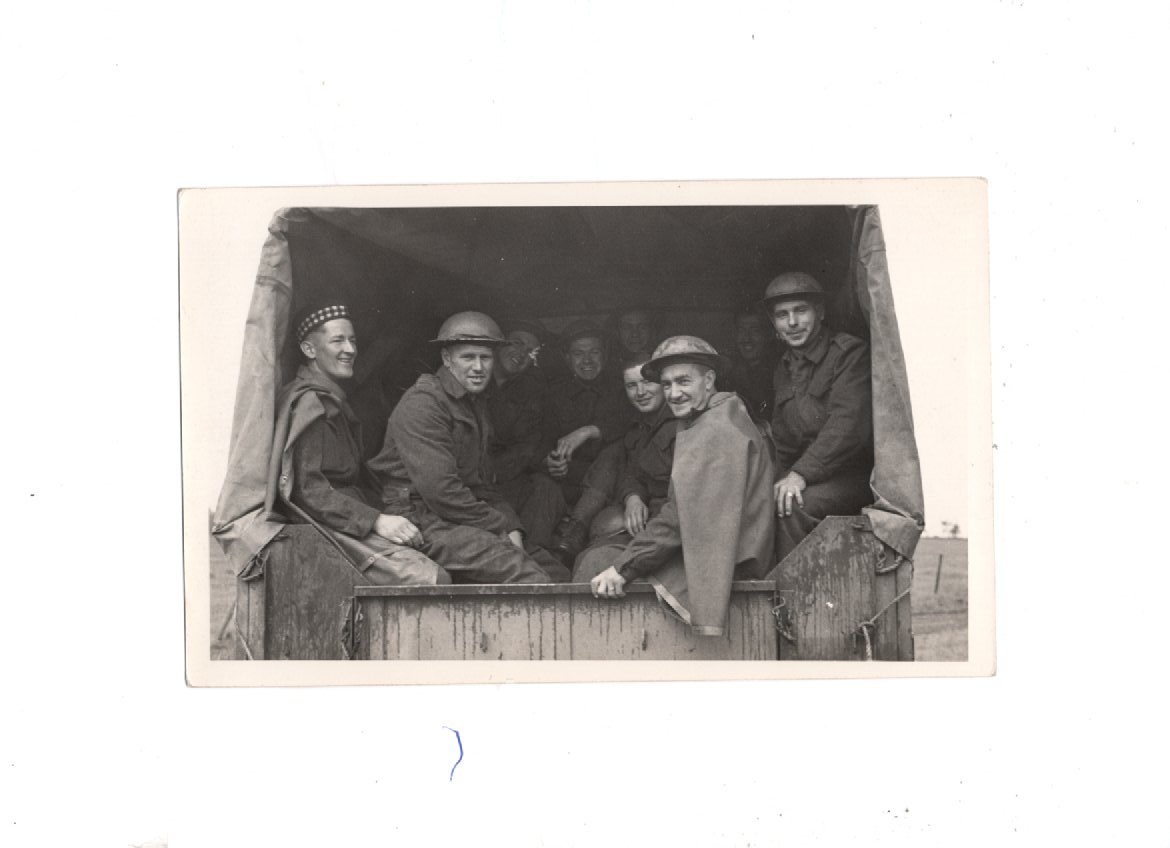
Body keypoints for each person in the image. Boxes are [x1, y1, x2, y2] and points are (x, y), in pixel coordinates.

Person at [586, 336, 775, 637]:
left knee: (596, 562)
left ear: (709, 380)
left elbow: (678, 519)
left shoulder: (713, 429)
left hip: (730, 561)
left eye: (683, 381)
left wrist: (623, 568)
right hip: (727, 548)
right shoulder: (725, 411)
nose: (674, 394)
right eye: (666, 384)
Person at [368, 311, 567, 583]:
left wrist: (512, 528)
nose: (478, 367)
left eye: (485, 358)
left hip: (456, 517)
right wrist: (500, 527)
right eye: (468, 357)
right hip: (419, 518)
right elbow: (442, 492)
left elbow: (482, 484)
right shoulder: (424, 403)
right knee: (523, 571)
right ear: (446, 359)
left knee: (557, 574)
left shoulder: (473, 403)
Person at [268, 303, 448, 586]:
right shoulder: (310, 404)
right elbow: (307, 491)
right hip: (324, 528)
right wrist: (377, 521)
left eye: (352, 340)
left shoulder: (330, 400)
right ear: (309, 349)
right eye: (338, 341)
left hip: (345, 519)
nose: (350, 349)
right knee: (433, 578)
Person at [761, 272, 874, 561]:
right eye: (782, 315)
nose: (792, 322)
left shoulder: (849, 354)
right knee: (757, 504)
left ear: (820, 312)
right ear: (774, 322)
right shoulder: (784, 368)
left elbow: (847, 428)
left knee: (793, 507)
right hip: (807, 476)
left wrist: (800, 475)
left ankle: (791, 589)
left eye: (801, 310)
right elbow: (782, 441)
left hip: (850, 476)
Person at [569, 352, 679, 577]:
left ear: (664, 384)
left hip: (667, 530)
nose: (640, 392)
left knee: (594, 561)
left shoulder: (678, 425)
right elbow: (633, 473)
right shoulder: (640, 427)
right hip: (647, 522)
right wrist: (632, 497)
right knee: (587, 557)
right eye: (631, 386)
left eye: (647, 382)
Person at [542, 319, 629, 554]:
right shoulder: (553, 394)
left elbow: (631, 424)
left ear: (605, 355)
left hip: (610, 486)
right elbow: (541, 441)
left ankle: (576, 527)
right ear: (567, 358)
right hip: (568, 483)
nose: (587, 360)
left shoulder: (621, 389)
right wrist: (550, 461)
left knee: (615, 449)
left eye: (594, 352)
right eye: (578, 354)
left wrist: (589, 430)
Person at [484, 321, 565, 548]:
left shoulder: (531, 391)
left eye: (530, 350)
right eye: (517, 343)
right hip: (472, 477)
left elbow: (532, 442)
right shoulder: (475, 379)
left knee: (545, 489)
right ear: (498, 344)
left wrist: (545, 460)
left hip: (505, 474)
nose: (522, 353)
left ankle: (532, 554)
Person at [725, 305, 779, 423]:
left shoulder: (780, 371)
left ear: (769, 334)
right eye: (741, 330)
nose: (746, 338)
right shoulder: (727, 372)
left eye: (755, 330)